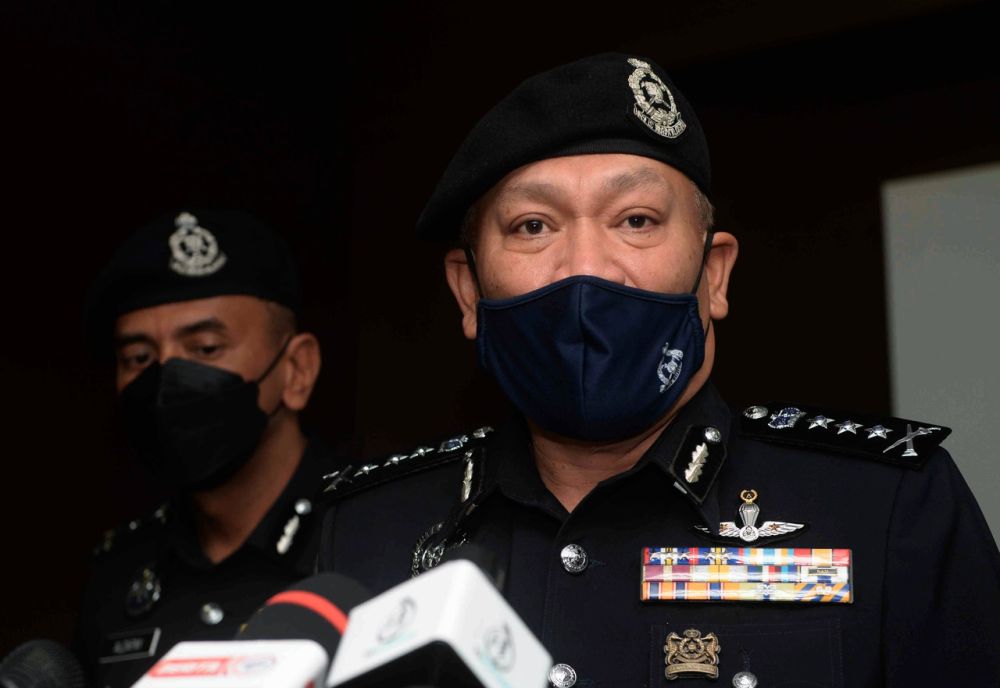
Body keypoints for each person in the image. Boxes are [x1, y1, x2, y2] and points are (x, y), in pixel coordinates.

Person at [317, 54, 1000, 687]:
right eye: (532, 226)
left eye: (636, 220)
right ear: (468, 291)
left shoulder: (884, 508)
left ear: (714, 274)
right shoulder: (365, 529)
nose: (586, 266)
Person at [76, 209, 342, 687]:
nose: (166, 380)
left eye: (205, 349)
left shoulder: (378, 540)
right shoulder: (116, 577)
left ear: (297, 371)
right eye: (139, 358)